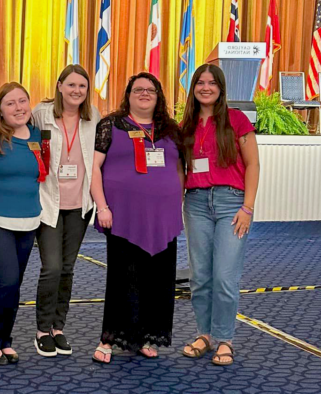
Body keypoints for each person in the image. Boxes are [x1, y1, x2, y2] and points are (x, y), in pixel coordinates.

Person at [90, 72, 184, 364]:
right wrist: (102, 206)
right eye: (138, 90)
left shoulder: (170, 130)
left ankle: (144, 336)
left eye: (151, 90)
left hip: (162, 219)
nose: (144, 94)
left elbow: (180, 169)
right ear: (128, 95)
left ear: (158, 97)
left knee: (157, 281)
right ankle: (109, 340)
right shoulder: (111, 125)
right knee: (122, 279)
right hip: (123, 218)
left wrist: (174, 200)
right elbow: (95, 169)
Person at [179, 64, 260, 366]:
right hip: (196, 203)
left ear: (221, 88)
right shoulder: (186, 125)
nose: (206, 88)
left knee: (224, 277)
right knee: (200, 277)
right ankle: (205, 335)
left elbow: (253, 165)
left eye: (212, 83)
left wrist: (247, 208)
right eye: (200, 82)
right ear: (194, 88)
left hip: (231, 203)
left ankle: (225, 339)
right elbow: (179, 170)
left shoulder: (237, 120)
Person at [32, 65, 100, 357]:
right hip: (48, 203)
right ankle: (41, 329)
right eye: (71, 85)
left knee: (68, 269)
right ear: (59, 86)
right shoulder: (41, 113)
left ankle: (58, 328)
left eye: (82, 87)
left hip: (79, 206)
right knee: (52, 268)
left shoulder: (93, 116)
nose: (76, 91)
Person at [0, 82, 45, 365]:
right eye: (11, 103)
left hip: (29, 219)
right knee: (4, 282)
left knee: (15, 284)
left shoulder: (38, 135)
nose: (18, 108)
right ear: (0, 110)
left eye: (22, 101)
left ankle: (6, 340)